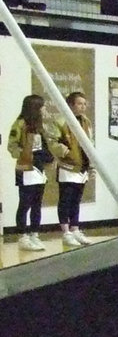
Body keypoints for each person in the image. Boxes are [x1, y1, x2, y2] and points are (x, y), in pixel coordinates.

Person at [7, 93, 54, 252]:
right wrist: (25, 155)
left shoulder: (40, 126)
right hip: (26, 168)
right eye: (41, 106)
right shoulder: (19, 124)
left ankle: (35, 234)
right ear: (34, 108)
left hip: (40, 169)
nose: (44, 109)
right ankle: (22, 236)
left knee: (37, 204)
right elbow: (11, 146)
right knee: (24, 204)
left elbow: (45, 146)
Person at [54, 90, 94, 246]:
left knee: (77, 200)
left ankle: (75, 228)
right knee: (66, 199)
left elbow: (90, 142)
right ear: (70, 105)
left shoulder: (86, 122)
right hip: (68, 167)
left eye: (84, 104)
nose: (83, 107)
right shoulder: (60, 121)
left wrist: (91, 165)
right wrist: (67, 152)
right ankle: (65, 231)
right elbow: (53, 142)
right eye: (79, 103)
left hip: (82, 167)